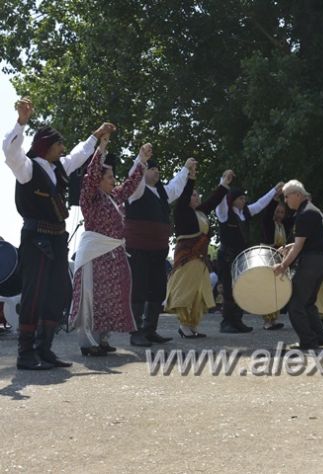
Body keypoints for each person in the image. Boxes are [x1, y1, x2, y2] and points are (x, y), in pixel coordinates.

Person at [3, 97, 114, 369]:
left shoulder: (59, 167)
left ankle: (45, 349)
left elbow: (79, 154)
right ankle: (25, 354)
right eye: (58, 144)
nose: (63, 148)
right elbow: (9, 150)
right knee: (34, 293)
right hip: (35, 238)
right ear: (47, 146)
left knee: (59, 291)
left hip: (57, 237)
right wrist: (21, 122)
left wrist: (96, 135)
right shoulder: (27, 168)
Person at [69, 134, 148, 356]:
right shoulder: (90, 197)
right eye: (110, 176)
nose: (114, 180)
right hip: (94, 253)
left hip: (113, 254)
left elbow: (131, 184)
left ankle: (103, 338)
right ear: (99, 179)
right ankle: (87, 343)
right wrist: (101, 148)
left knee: (109, 297)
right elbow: (90, 176)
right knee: (90, 296)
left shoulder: (115, 196)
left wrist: (141, 159)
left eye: (114, 176)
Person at [125, 146, 195, 347]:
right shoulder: (135, 190)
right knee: (138, 290)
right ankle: (136, 332)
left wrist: (185, 168)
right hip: (138, 249)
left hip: (158, 250)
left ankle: (150, 330)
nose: (156, 171)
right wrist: (140, 160)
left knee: (157, 290)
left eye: (157, 169)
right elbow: (134, 177)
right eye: (152, 168)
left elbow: (176, 185)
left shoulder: (163, 192)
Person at [164, 168, 233, 338]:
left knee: (198, 294)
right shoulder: (181, 212)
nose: (197, 197)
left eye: (198, 195)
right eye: (193, 195)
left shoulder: (200, 212)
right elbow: (186, 194)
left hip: (201, 261)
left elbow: (214, 200)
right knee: (186, 291)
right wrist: (191, 178)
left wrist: (224, 183)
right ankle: (184, 325)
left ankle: (192, 325)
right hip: (187, 258)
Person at [216, 180, 284, 333]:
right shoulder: (224, 213)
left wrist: (274, 190)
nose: (244, 200)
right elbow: (220, 202)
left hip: (240, 257)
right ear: (233, 199)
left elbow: (260, 204)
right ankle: (226, 323)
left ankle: (237, 321)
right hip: (227, 257)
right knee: (228, 291)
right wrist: (223, 183)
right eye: (240, 198)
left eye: (244, 198)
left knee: (240, 289)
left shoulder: (245, 212)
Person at [273, 180, 323, 351]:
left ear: (297, 195)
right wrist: (290, 247)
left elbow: (299, 247)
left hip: (311, 263)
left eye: (287, 196)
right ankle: (320, 337)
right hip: (322, 261)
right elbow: (310, 239)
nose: (286, 200)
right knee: (308, 303)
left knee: (295, 304)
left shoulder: (304, 214)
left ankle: (308, 341)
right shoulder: (313, 210)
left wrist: (282, 266)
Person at [259, 197, 294, 330]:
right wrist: (274, 198)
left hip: (279, 260)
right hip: (267, 258)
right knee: (268, 289)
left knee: (277, 290)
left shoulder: (282, 225)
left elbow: (296, 217)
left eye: (281, 212)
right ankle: (267, 321)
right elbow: (267, 214)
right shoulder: (268, 223)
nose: (279, 215)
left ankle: (273, 319)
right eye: (277, 212)